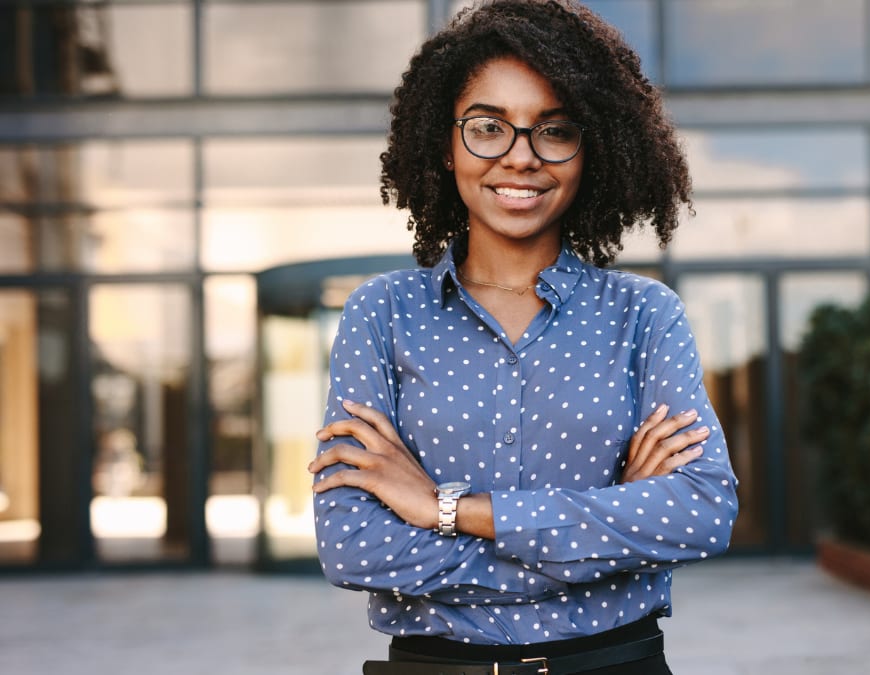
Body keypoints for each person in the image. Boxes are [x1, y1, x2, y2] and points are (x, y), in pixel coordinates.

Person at [307, 1, 739, 673]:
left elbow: (702, 511)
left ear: (590, 147)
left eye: (554, 130)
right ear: (445, 146)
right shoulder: (382, 314)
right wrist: (610, 529)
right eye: (488, 127)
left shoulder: (644, 316)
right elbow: (353, 546)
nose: (521, 157)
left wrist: (442, 508)